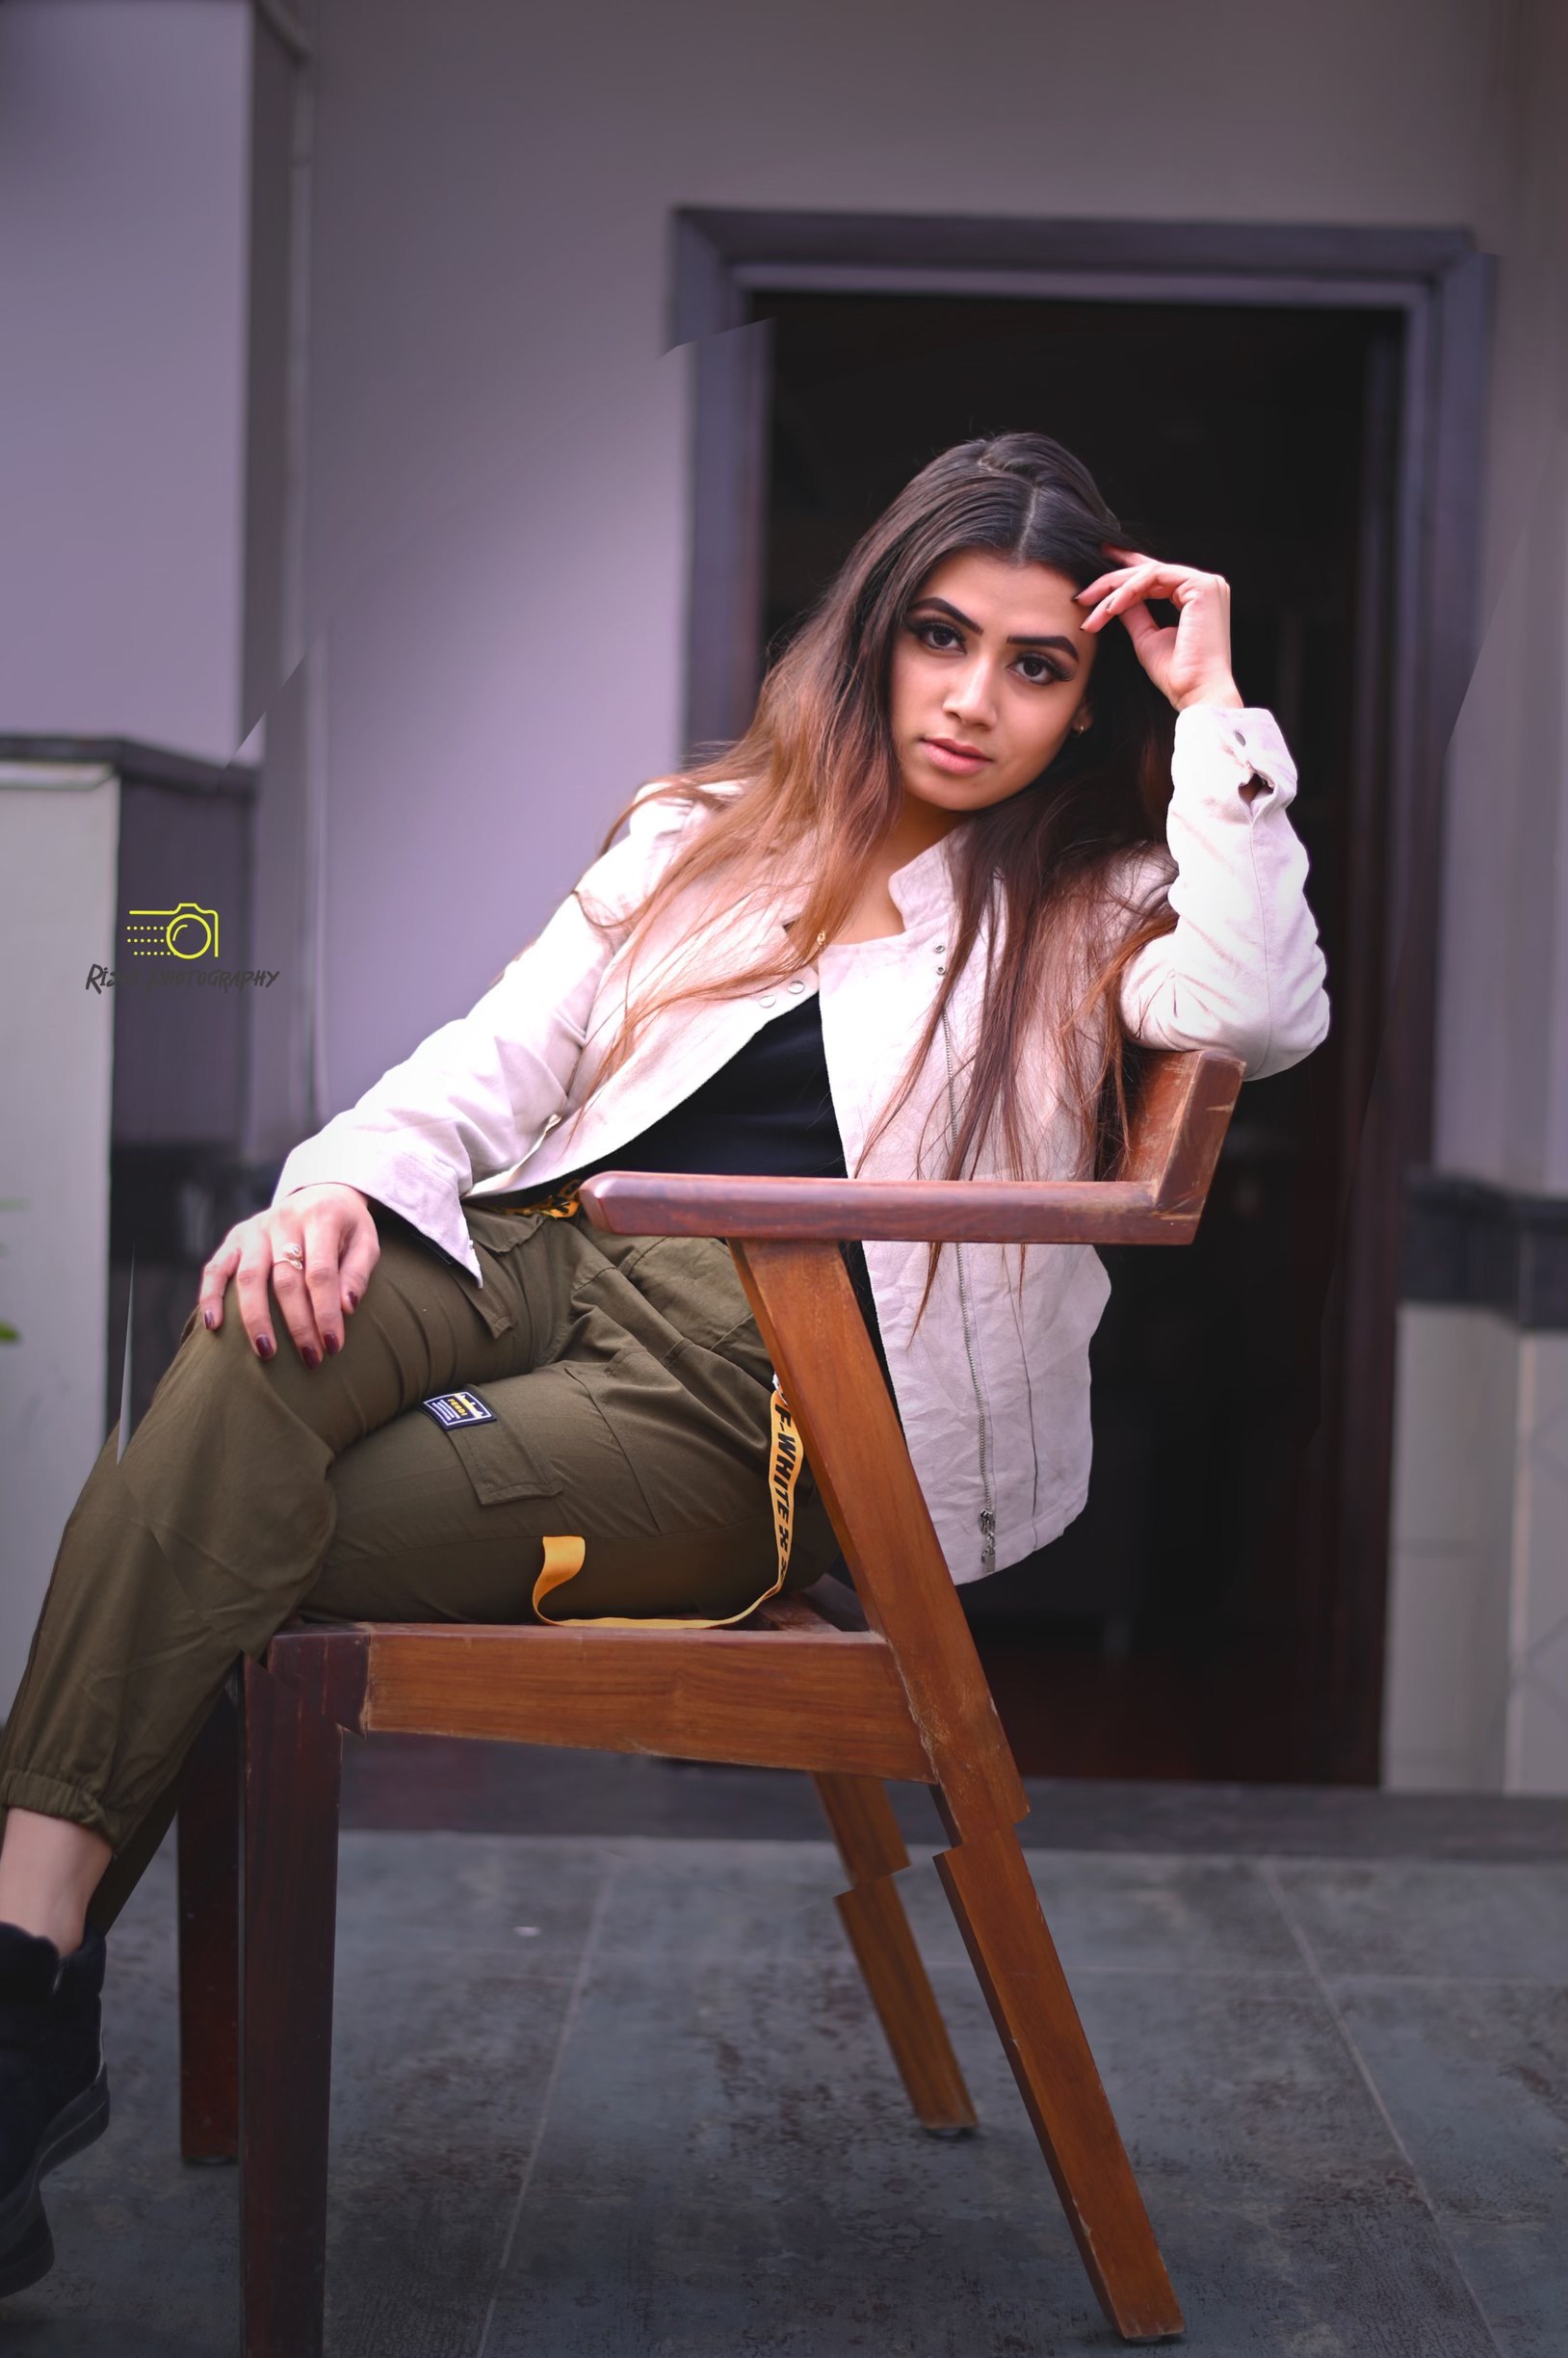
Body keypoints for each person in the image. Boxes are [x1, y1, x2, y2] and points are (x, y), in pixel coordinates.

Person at [0, 430, 1329, 2293]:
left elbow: (1263, 1009)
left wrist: (1216, 712)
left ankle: (20, 2027)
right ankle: (29, 1979)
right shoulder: (707, 826)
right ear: (874, 632)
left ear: (1085, 700)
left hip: (760, 1399)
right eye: (942, 637)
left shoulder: (1097, 906)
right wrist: (332, 1190)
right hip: (541, 1249)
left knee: (215, 1511)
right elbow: (497, 1062)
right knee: (254, 1332)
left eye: (1038, 667)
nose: (974, 699)